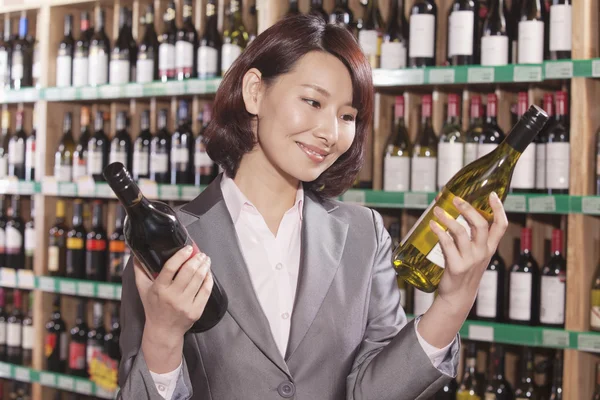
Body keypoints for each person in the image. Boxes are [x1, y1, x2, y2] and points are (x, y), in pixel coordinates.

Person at [118, 14, 508, 400]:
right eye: (312, 101)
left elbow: (374, 393)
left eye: (347, 116)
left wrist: (453, 302)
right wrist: (163, 334)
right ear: (254, 92)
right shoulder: (169, 246)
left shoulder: (363, 234)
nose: (331, 133)